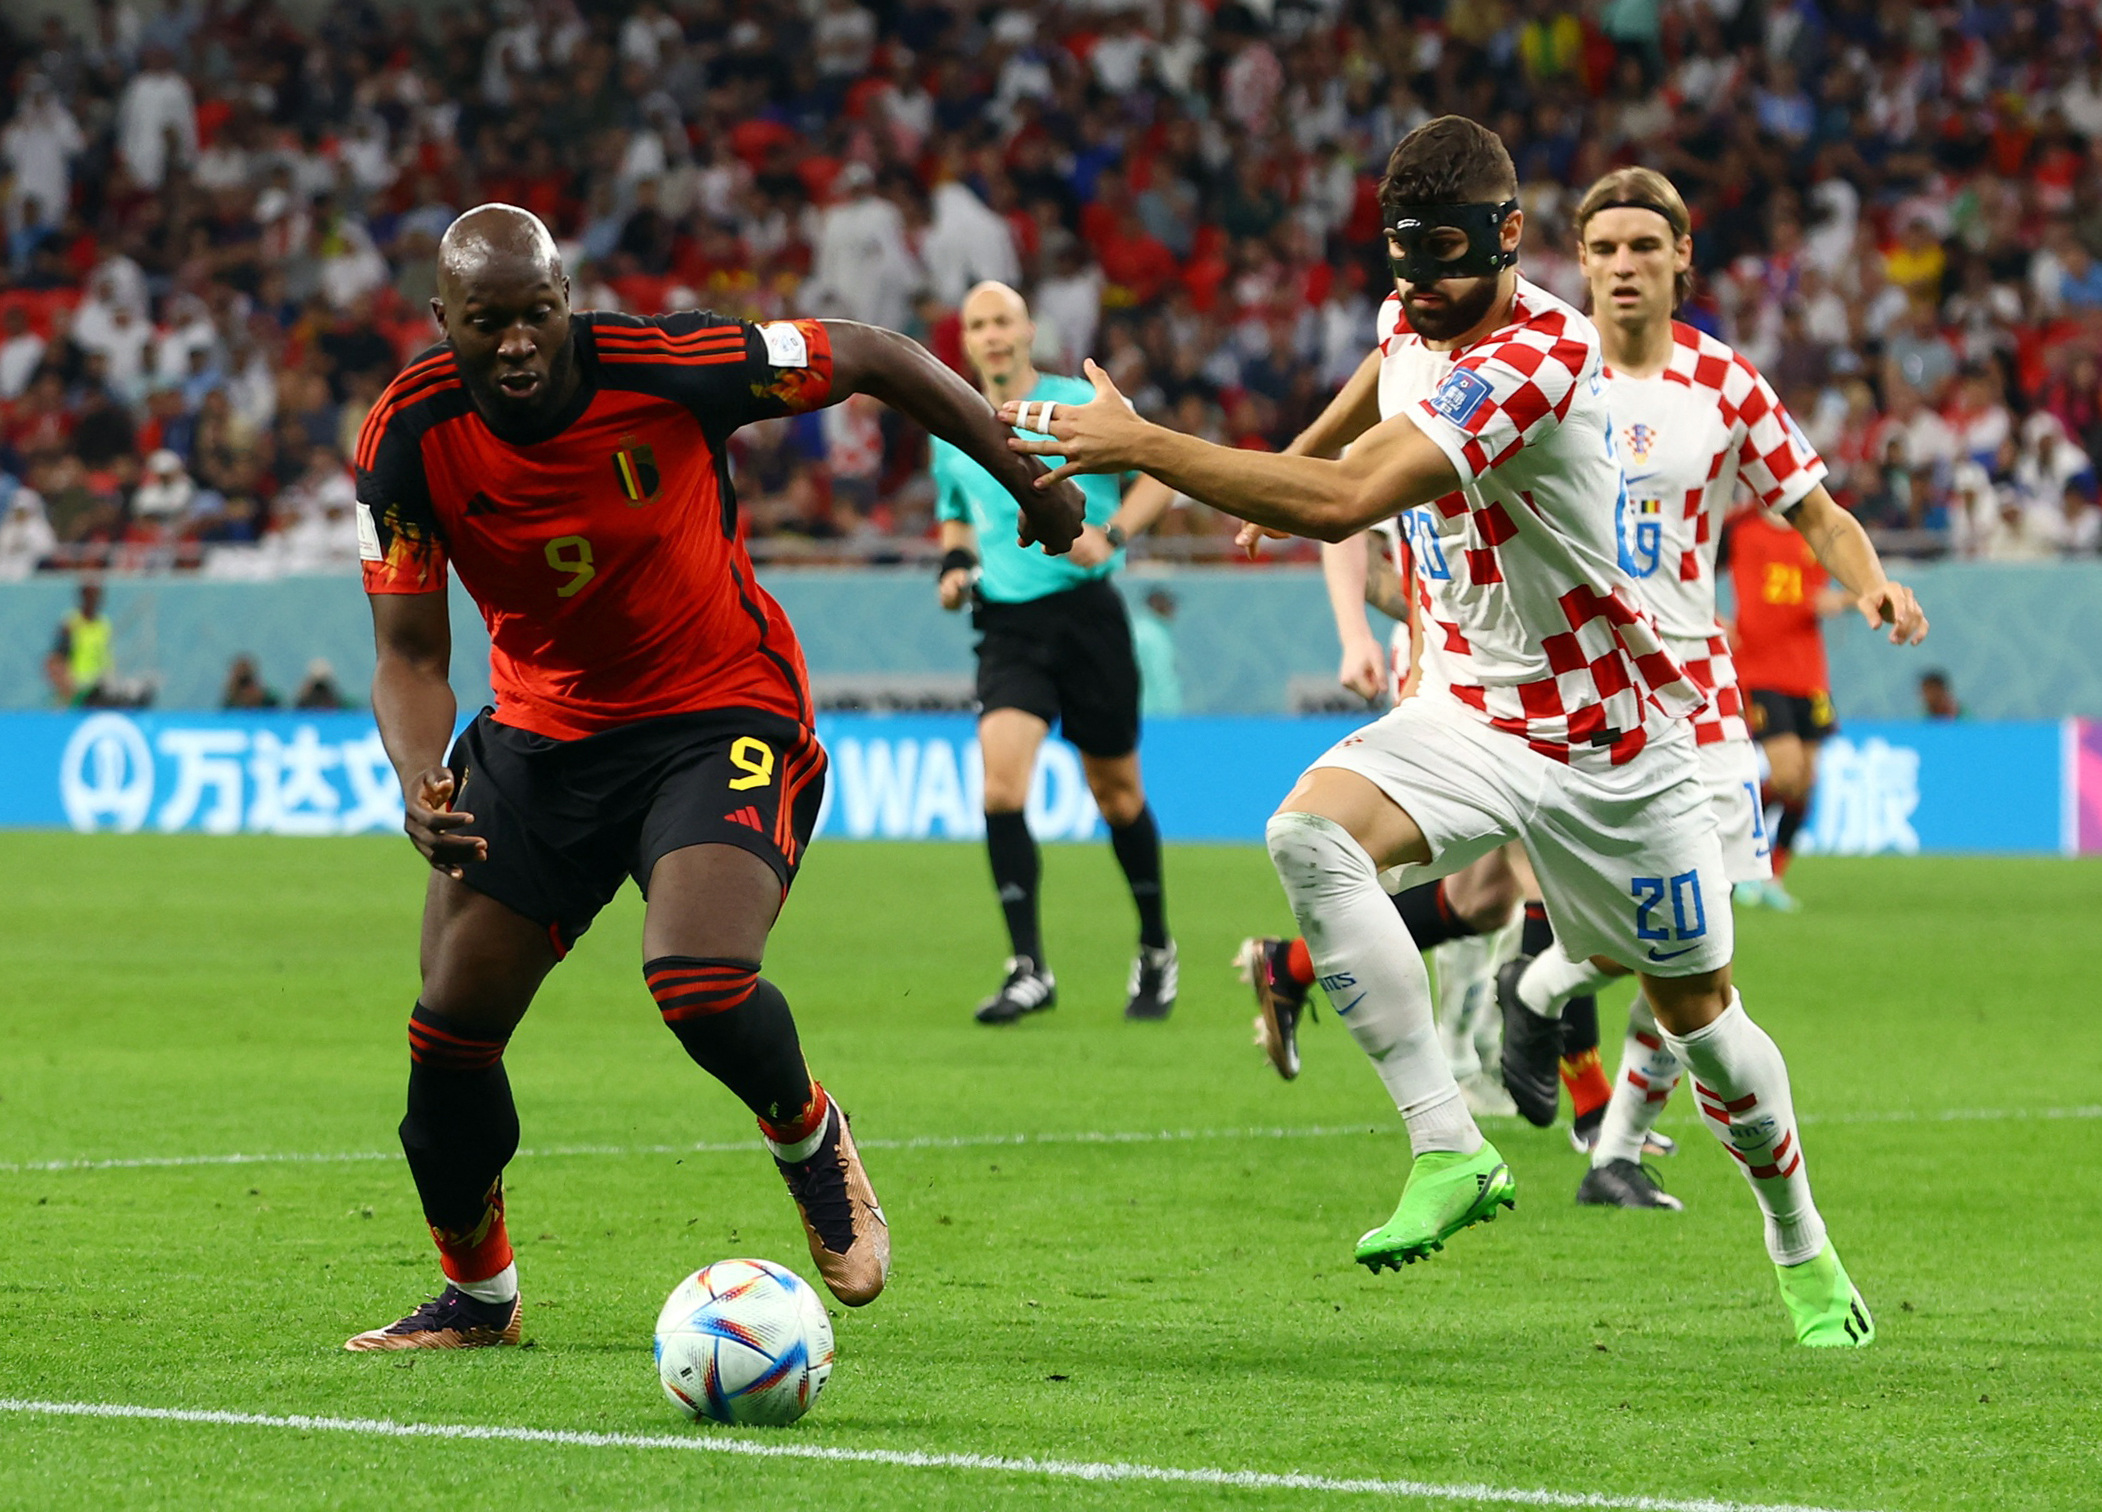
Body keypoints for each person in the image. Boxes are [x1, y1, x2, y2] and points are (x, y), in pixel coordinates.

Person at [1004, 117, 1885, 1347]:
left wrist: (1151, 447)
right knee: (1308, 836)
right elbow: (1367, 399)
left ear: (1511, 241)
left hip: (1610, 738)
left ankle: (1799, 1243)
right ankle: (1447, 1146)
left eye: (1441, 263)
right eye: (1400, 259)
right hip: (1468, 703)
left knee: (1704, 1025)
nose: (1415, 288)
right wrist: (1290, 453)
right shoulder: (1410, 314)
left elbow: (1354, 501)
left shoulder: (1540, 357)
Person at [345, 205, 1083, 1351]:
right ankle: (479, 1302)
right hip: (541, 741)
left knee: (695, 978)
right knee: (447, 1042)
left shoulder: (673, 364)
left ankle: (806, 1136)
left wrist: (1023, 477)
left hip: (717, 710)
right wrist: (417, 776)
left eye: (539, 314)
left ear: (566, 300)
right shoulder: (406, 434)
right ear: (445, 323)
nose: (521, 344)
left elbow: (875, 355)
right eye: (489, 323)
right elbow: (407, 655)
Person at [1495, 167, 1928, 1208]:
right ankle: (1539, 989)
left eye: (1643, 247)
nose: (1621, 267)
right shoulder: (1542, 370)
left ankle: (1607, 1146)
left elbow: (1812, 510)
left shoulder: (1723, 383)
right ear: (1578, 263)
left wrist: (1868, 584)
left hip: (1696, 692)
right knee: (1651, 932)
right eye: (1601, 251)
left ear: (1681, 257)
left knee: (1700, 945)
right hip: (1577, 691)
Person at [934, 281, 1180, 1024]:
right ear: (968, 340)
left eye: (1003, 320)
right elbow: (955, 513)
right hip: (1008, 625)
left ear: (1028, 328)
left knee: (1118, 796)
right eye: (979, 324)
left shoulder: (1079, 399)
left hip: (1088, 619)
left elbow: (1161, 475)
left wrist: (1113, 536)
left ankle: (1156, 947)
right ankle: (1028, 969)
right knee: (1001, 786)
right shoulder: (950, 417)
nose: (993, 335)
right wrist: (952, 565)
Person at [1727, 503, 1857, 912]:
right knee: (1784, 775)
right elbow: (1681, 565)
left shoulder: (1816, 529)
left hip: (1810, 674)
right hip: (1761, 670)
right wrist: (1710, 617)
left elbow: (1856, 576)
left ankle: (1774, 876)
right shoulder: (1742, 532)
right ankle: (1740, 856)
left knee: (1805, 782)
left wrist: (1845, 600)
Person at [46, 579, 114, 706]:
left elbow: (106, 655)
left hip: (97, 687)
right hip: (76, 688)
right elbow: (56, 658)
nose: (94, 599)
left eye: (96, 595)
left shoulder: (104, 624)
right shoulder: (71, 623)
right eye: (90, 595)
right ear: (82, 597)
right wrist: (66, 684)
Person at [1131, 588, 1184, 718]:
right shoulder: (1152, 636)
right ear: (1155, 603)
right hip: (1154, 714)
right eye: (1169, 603)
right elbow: (1161, 678)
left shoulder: (1143, 630)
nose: (1173, 608)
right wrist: (1169, 712)